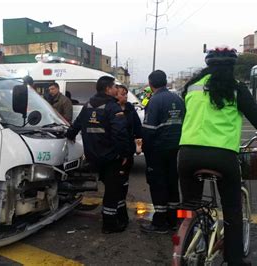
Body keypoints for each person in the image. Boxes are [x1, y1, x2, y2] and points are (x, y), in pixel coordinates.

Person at [178, 47, 257, 266]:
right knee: (233, 212)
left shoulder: (191, 87)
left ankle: (191, 238)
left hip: (187, 155)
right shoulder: (236, 88)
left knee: (189, 206)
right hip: (222, 156)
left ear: (208, 65)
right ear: (231, 67)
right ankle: (234, 260)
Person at [66, 76, 130, 234]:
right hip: (111, 157)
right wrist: (124, 154)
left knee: (112, 188)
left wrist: (69, 136)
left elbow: (76, 126)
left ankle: (122, 217)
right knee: (113, 190)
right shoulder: (112, 107)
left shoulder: (87, 105)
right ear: (108, 89)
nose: (116, 89)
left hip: (93, 156)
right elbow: (120, 133)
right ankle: (109, 224)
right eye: (114, 86)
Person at [140, 70, 185, 234]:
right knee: (172, 182)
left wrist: (145, 150)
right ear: (165, 82)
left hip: (158, 150)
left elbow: (149, 130)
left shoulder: (154, 101)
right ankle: (173, 220)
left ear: (151, 84)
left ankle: (159, 223)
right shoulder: (178, 100)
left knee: (158, 184)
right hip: (175, 149)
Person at [115, 84, 142, 227]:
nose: (125, 96)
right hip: (116, 152)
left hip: (128, 151)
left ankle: (121, 210)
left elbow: (137, 127)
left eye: (126, 94)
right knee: (116, 184)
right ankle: (117, 213)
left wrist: (138, 140)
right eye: (121, 94)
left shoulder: (130, 109)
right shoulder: (111, 109)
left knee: (124, 183)